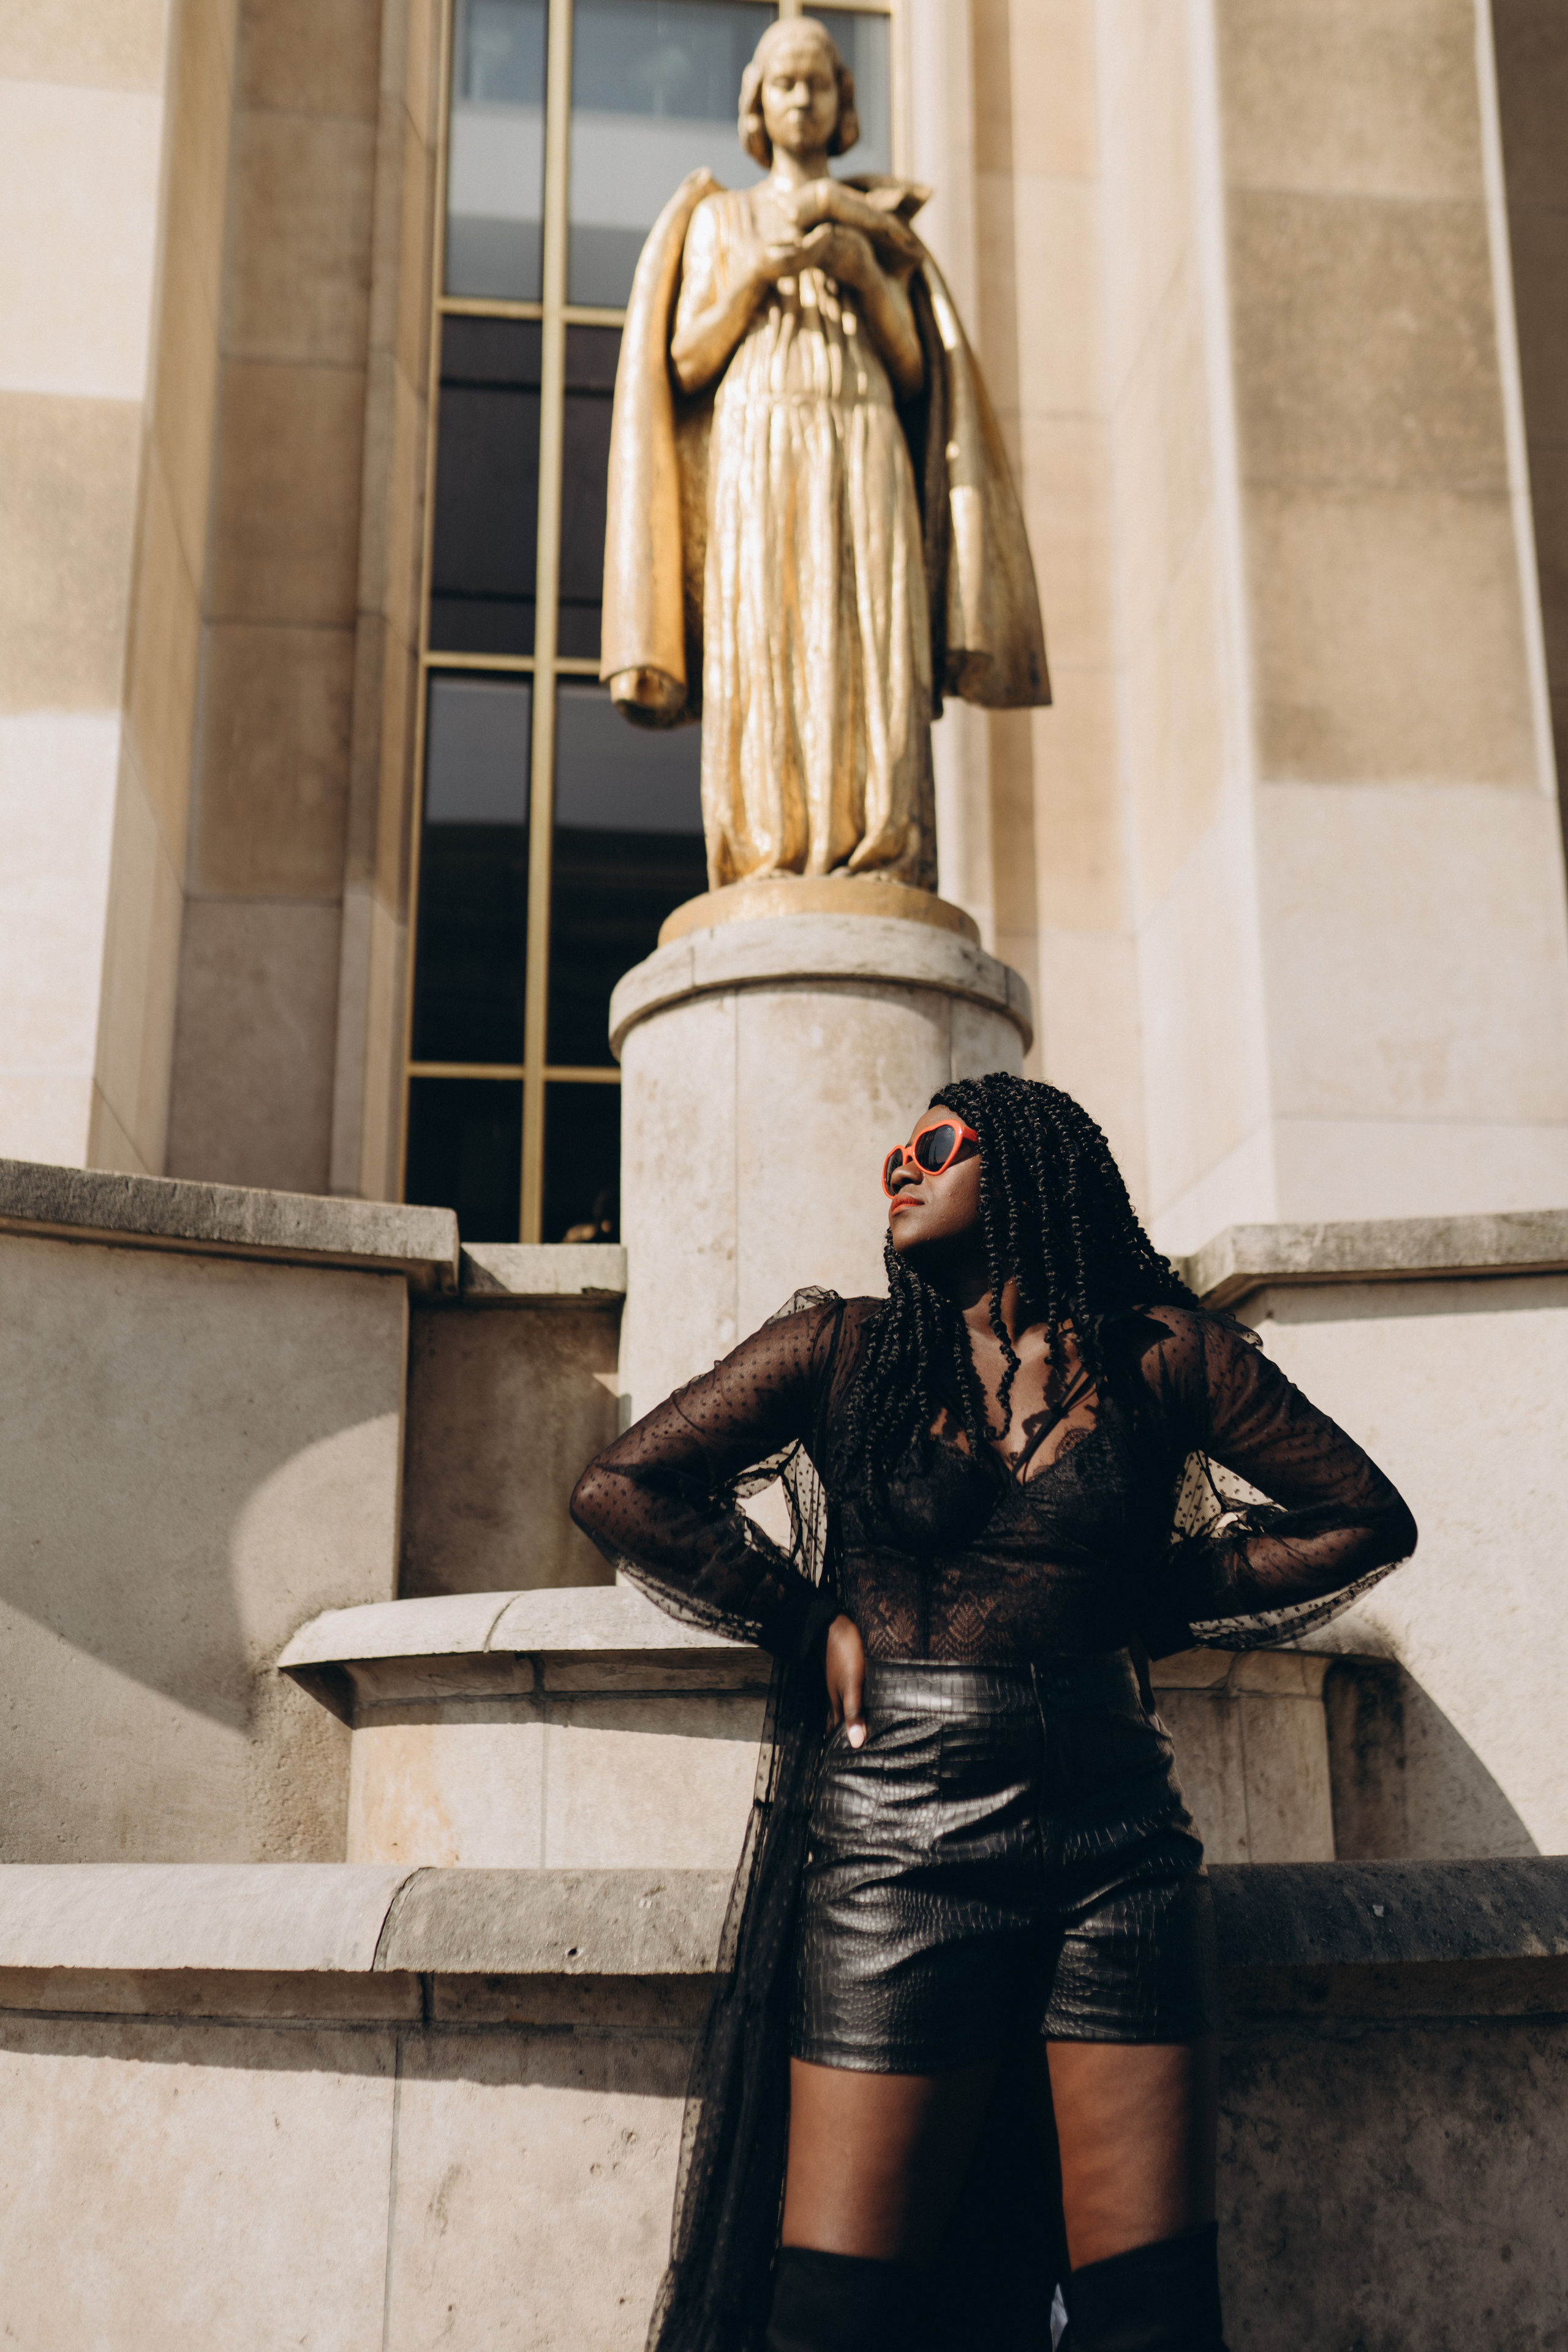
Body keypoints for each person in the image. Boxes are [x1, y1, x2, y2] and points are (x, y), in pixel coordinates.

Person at [571, 1073, 1416, 2351]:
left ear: (1022, 1166)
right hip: (897, 1841)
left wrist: (1162, 1604)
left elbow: (1362, 1515)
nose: (897, 1170)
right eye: (893, 1156)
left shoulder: (1161, 1357)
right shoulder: (844, 1348)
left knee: (1151, 2314)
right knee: (838, 2315)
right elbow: (623, 1486)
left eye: (933, 1147)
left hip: (1118, 1841)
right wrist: (808, 1622)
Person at [600, 16, 1048, 892]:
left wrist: (861, 268)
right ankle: (768, 846)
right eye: (783, 83)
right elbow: (686, 359)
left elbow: (917, 373)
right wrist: (756, 275)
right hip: (757, 443)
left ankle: (881, 843)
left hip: (862, 434)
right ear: (757, 105)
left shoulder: (883, 227)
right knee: (765, 633)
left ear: (845, 101)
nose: (801, 98)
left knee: (866, 630)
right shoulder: (720, 219)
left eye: (818, 82)